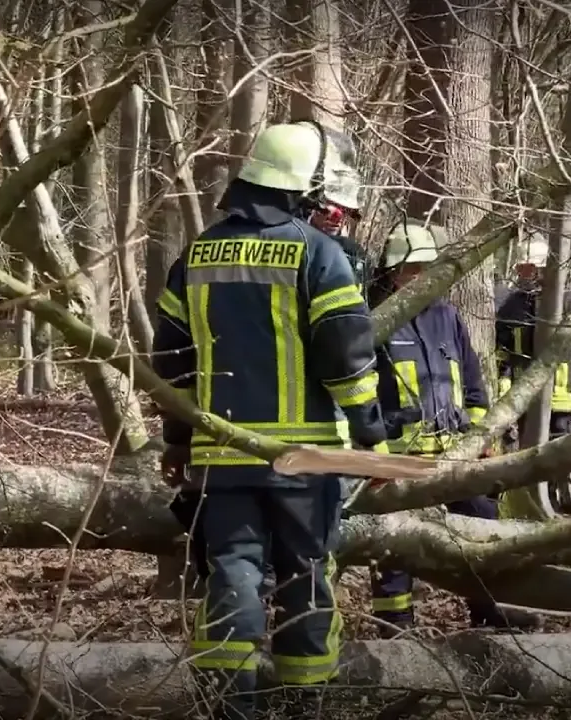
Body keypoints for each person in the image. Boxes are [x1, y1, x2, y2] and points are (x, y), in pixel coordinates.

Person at [151, 120, 390, 720]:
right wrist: (371, 436)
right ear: (307, 188)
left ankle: (228, 706)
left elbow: (172, 365)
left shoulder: (196, 254)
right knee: (306, 578)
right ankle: (303, 703)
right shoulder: (318, 253)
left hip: (219, 458)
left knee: (232, 573)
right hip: (305, 462)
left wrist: (178, 442)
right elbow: (347, 358)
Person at [366, 221, 541, 636]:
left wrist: (481, 440)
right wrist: (374, 455)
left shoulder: (447, 317)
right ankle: (395, 624)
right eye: (412, 268)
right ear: (392, 271)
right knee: (392, 545)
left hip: (455, 454)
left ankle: (489, 607)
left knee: (483, 529)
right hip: (398, 460)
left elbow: (474, 386)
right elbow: (360, 396)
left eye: (427, 267)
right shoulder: (375, 319)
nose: (421, 277)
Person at [495, 233, 571, 518]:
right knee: (525, 452)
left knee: (560, 451)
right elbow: (504, 353)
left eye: (531, 268)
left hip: (562, 396)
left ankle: (563, 503)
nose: (526, 274)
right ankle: (526, 504)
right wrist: (504, 386)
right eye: (523, 268)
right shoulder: (511, 307)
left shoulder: (570, 303)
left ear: (546, 267)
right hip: (524, 398)